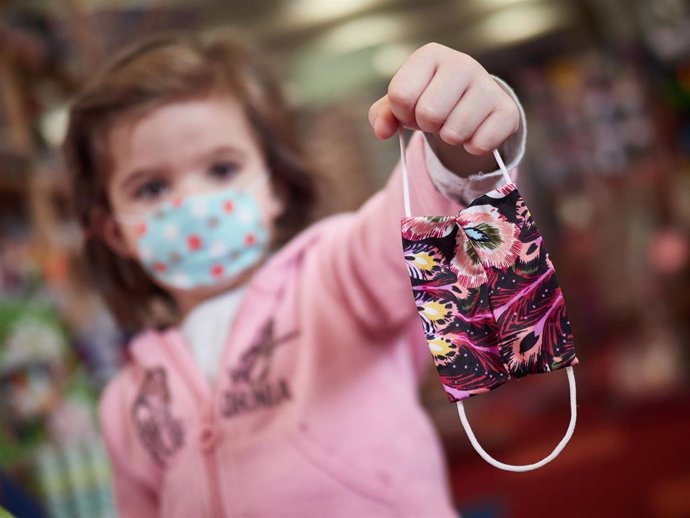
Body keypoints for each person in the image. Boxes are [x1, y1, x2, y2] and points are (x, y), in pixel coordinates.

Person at [64, 30, 525, 517]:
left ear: (276, 188)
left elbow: (411, 227)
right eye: (152, 187)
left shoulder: (332, 279)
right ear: (114, 232)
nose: (192, 203)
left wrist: (459, 146)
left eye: (221, 170)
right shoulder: (127, 404)